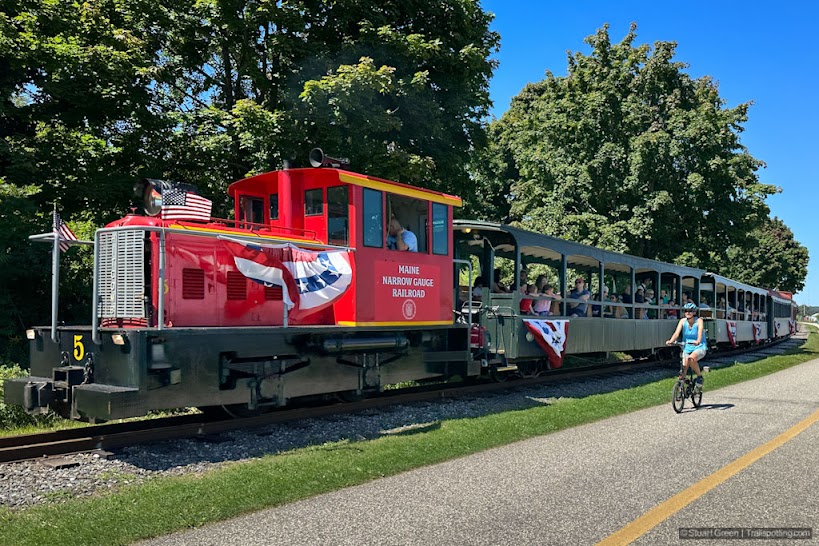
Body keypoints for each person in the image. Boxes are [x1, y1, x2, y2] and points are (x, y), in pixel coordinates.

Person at [666, 302, 706, 389]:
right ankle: (680, 391)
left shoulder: (699, 321)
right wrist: (671, 341)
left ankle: (699, 377)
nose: (688, 313)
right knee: (683, 371)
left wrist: (698, 341)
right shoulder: (682, 321)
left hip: (699, 346)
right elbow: (676, 333)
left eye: (690, 311)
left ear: (694, 312)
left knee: (691, 359)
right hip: (687, 347)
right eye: (686, 311)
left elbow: (700, 332)